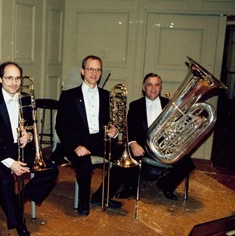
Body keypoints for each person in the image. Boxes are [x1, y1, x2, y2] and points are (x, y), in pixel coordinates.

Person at [0, 61, 59, 236]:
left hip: (21, 149)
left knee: (51, 170)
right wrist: (10, 162)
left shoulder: (25, 99)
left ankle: (18, 199)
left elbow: (31, 129)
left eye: (17, 78)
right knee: (5, 180)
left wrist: (28, 136)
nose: (14, 83)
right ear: (0, 79)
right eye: (9, 78)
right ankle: (21, 228)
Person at [55, 55, 123, 216]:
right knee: (84, 165)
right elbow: (61, 126)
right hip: (76, 142)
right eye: (90, 69)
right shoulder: (69, 95)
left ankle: (101, 196)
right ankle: (83, 202)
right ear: (82, 71)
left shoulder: (107, 96)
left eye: (98, 69)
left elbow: (113, 122)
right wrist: (75, 146)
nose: (94, 73)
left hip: (99, 141)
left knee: (126, 159)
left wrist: (115, 131)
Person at [119, 72, 195, 200]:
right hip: (144, 145)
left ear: (160, 87)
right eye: (150, 85)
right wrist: (133, 143)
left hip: (166, 146)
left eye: (156, 85)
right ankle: (131, 188)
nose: (153, 88)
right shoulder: (135, 105)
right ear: (144, 87)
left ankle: (167, 185)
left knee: (187, 163)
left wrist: (193, 121)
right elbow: (130, 127)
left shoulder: (170, 104)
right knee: (130, 154)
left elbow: (182, 121)